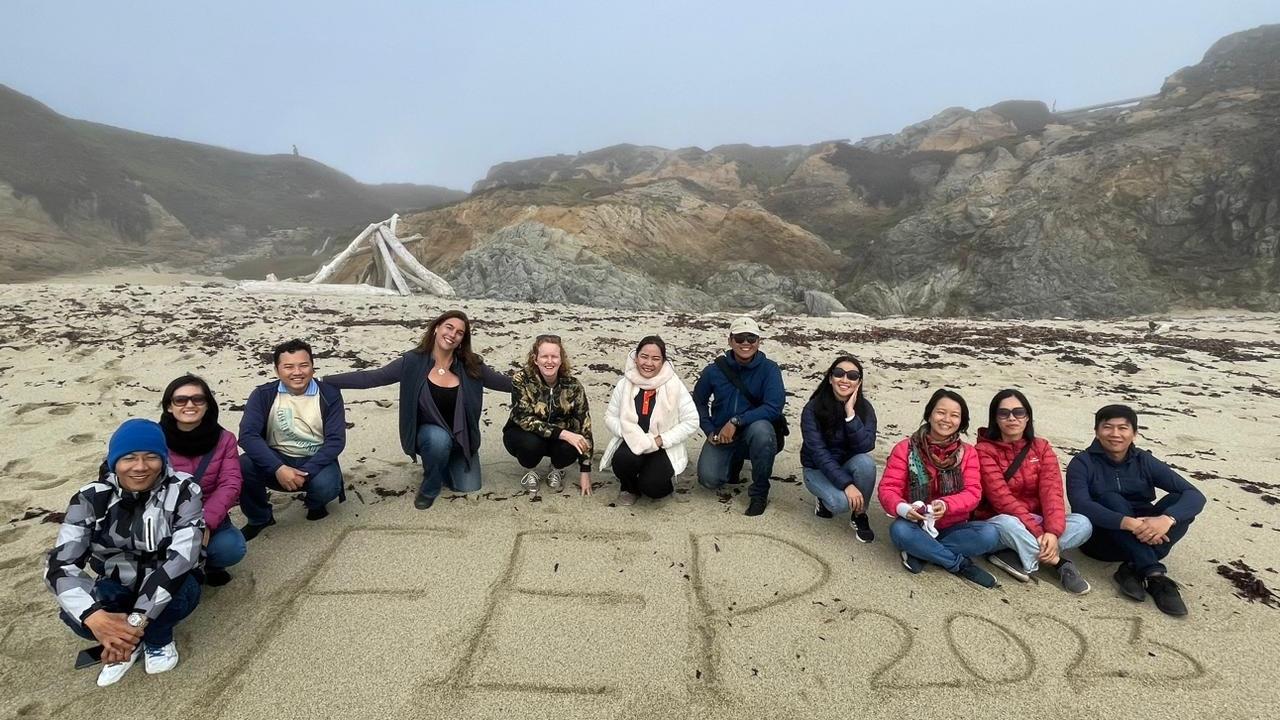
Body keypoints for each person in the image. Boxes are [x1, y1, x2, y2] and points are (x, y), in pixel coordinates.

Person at [46, 419, 205, 687]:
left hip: (170, 581)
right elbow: (60, 565)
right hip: (116, 580)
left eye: (151, 457)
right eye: (129, 458)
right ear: (114, 461)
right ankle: (124, 642)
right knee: (76, 616)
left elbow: (182, 558)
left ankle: (156, 639)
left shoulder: (185, 490)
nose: (140, 467)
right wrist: (94, 617)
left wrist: (135, 622)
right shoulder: (89, 498)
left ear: (163, 459)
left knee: (179, 595)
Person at [324, 310, 512, 509]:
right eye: (449, 327)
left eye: (459, 332)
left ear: (462, 339)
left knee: (469, 487)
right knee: (438, 439)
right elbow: (373, 377)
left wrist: (544, 379)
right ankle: (429, 486)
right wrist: (325, 381)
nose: (452, 334)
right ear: (436, 328)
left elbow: (505, 383)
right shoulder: (413, 362)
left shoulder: (471, 366)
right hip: (430, 437)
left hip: (462, 441)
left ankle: (443, 464)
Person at [1066, 404, 1205, 616]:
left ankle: (1131, 568)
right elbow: (1081, 505)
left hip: (1146, 535)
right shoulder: (1082, 463)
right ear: (1096, 431)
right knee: (1110, 498)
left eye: (1123, 428)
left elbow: (1195, 495)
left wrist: (1167, 519)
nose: (1115, 434)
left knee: (1179, 501)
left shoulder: (1143, 460)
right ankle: (1154, 574)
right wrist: (1129, 523)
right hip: (1103, 541)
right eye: (1108, 427)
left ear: (1135, 433)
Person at [877, 389, 1000, 588]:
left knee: (989, 534)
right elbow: (888, 489)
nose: (946, 419)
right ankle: (958, 564)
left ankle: (922, 551)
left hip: (953, 526)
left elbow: (973, 493)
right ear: (930, 414)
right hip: (915, 523)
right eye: (941, 412)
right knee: (899, 531)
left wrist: (946, 504)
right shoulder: (905, 448)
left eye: (954, 415)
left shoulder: (968, 453)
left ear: (962, 421)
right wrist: (903, 509)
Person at [973, 389, 1092, 593]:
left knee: (1083, 523)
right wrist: (1039, 534)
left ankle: (1015, 555)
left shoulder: (1041, 447)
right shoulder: (983, 451)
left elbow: (1052, 492)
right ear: (995, 419)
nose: (1012, 418)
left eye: (1018, 412)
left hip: (1036, 521)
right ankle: (1057, 562)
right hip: (1000, 522)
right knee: (1007, 522)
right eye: (1004, 413)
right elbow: (1002, 499)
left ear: (1027, 417)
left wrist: (1052, 532)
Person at [238, 339, 346, 539]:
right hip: (276, 456)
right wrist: (278, 468)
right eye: (288, 366)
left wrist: (305, 472)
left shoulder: (329, 394)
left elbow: (336, 441)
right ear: (277, 370)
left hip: (315, 459)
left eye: (303, 365)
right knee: (241, 465)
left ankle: (315, 504)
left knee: (327, 485)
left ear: (312, 367)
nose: (297, 372)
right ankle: (259, 517)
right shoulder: (263, 394)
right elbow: (247, 435)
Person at [693, 316, 786, 516]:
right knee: (709, 480)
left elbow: (773, 407)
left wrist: (737, 421)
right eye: (740, 338)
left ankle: (760, 492)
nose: (745, 343)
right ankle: (733, 461)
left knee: (761, 430)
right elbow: (698, 402)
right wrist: (709, 429)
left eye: (751, 338)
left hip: (755, 432)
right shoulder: (713, 370)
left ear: (758, 341)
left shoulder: (770, 369)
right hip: (721, 434)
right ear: (730, 340)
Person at [159, 374, 245, 586]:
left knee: (232, 548)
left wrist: (202, 522)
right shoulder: (154, 438)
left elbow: (230, 482)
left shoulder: (225, 439)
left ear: (207, 405)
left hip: (206, 512)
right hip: (162, 515)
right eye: (180, 400)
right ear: (169, 406)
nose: (190, 405)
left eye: (198, 399)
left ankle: (212, 565)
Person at [600, 336, 700, 505]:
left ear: (663, 361)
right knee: (622, 460)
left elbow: (691, 421)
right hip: (632, 442)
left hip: (661, 446)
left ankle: (652, 479)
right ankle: (629, 487)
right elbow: (610, 417)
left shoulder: (674, 385)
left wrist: (662, 440)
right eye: (644, 356)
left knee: (654, 488)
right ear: (636, 357)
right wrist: (629, 433)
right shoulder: (625, 384)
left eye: (655, 359)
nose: (648, 363)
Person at [503, 334, 594, 495]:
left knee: (573, 443)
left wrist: (585, 470)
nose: (549, 361)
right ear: (535, 359)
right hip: (524, 434)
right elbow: (524, 419)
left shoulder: (573, 386)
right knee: (531, 444)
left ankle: (557, 469)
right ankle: (530, 471)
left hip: (557, 440)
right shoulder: (521, 380)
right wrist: (564, 434)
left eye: (554, 356)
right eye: (544, 356)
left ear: (561, 360)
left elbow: (584, 424)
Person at [800, 355, 877, 542]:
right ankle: (823, 501)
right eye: (839, 373)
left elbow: (866, 445)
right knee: (840, 503)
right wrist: (847, 485)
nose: (845, 379)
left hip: (846, 464)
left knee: (866, 463)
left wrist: (850, 415)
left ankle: (859, 514)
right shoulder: (812, 409)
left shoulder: (864, 408)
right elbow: (819, 454)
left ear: (859, 382)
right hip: (816, 469)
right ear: (830, 378)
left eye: (852, 376)